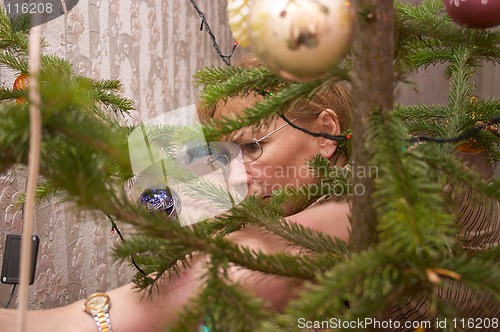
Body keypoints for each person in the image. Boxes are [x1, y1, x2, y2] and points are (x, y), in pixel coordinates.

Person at [1, 55, 498, 331]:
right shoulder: (320, 183)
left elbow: (232, 269)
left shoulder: (384, 190)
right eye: (225, 156)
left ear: (328, 134)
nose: (236, 178)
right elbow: (151, 145)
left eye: (252, 148)